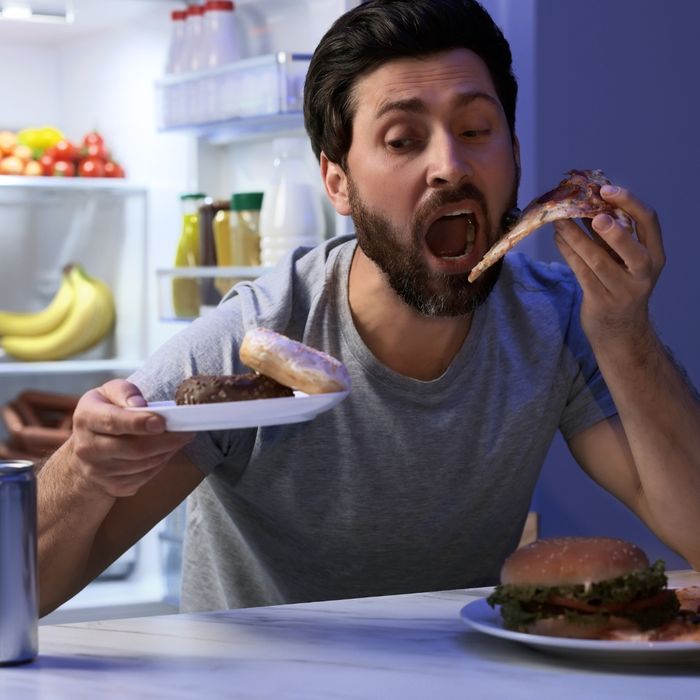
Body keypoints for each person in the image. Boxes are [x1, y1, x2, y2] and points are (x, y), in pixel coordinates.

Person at [37, 0, 700, 615]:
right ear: (338, 183)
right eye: (403, 140)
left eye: (476, 128)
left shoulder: (551, 321)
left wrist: (625, 331)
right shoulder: (258, 336)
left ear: (516, 155)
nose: (449, 165)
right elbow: (20, 588)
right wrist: (84, 471)